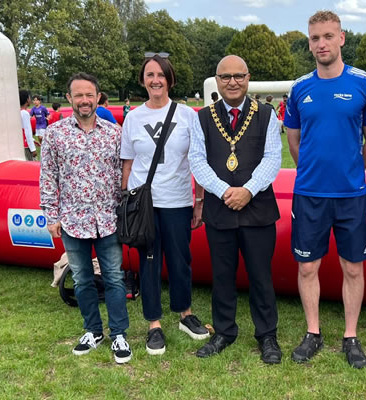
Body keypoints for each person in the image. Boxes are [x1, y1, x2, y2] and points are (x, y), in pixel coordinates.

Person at [284, 10, 366, 368]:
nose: (321, 44)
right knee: (308, 267)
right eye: (314, 38)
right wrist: (315, 169)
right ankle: (313, 332)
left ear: (342, 38)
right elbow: (294, 143)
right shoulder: (299, 89)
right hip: (309, 192)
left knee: (353, 267)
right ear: (309, 42)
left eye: (328, 36)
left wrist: (350, 169)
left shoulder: (365, 84)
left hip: (351, 194)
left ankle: (350, 335)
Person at [188, 55, 283, 364]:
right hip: (220, 208)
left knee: (260, 276)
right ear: (217, 81)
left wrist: (248, 190)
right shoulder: (202, 117)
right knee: (223, 276)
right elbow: (197, 160)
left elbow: (272, 157)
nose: (232, 82)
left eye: (238, 76)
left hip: (258, 209)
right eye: (225, 76)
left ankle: (267, 335)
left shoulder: (267, 114)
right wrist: (225, 191)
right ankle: (224, 332)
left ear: (248, 78)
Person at [39, 72, 132, 364]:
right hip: (71, 220)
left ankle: (118, 334)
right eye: (78, 95)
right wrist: (51, 215)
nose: (84, 100)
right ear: (69, 99)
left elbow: (124, 174)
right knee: (81, 279)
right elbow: (48, 177)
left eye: (89, 95)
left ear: (98, 97)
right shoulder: (55, 135)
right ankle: (93, 330)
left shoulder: (113, 132)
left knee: (115, 279)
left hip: (108, 220)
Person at [121, 53, 210, 356]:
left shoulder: (187, 116)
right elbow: (128, 164)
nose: (155, 80)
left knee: (180, 260)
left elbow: (198, 161)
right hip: (144, 204)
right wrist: (124, 201)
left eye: (161, 75)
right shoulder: (132, 118)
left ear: (170, 79)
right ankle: (154, 324)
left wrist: (199, 201)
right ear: (143, 81)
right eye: (150, 75)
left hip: (177, 200)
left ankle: (185, 314)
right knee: (149, 263)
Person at [20, 90, 37, 161]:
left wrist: (33, 140)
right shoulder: (25, 113)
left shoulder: (19, 111)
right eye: (30, 98)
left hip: (21, 144)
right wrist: (33, 149)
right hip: (26, 146)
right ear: (27, 100)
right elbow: (27, 131)